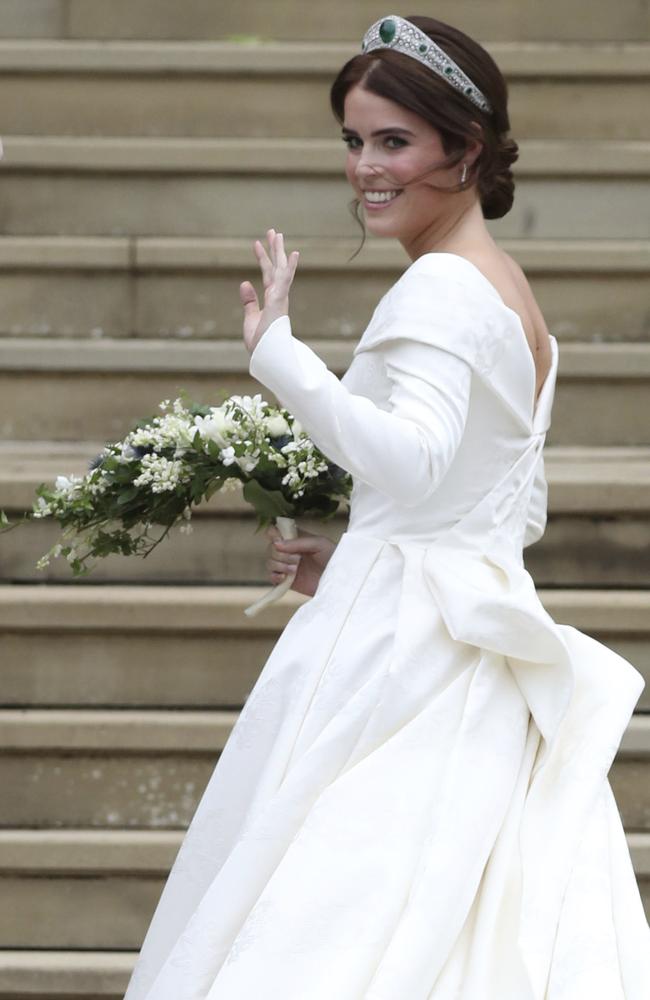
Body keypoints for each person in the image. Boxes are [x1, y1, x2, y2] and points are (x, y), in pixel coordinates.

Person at [124, 15, 650, 999]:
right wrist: (365, 549)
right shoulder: (507, 290)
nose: (365, 167)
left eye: (393, 141)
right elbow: (504, 499)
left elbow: (410, 464)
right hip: (460, 625)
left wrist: (276, 354)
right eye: (353, 141)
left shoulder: (442, 289)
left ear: (467, 148)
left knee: (326, 916)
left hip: (403, 653)